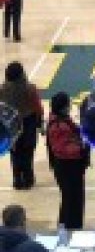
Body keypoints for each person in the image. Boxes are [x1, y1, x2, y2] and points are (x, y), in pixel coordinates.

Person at [47, 92, 89, 229]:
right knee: (72, 201)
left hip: (68, 166)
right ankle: (71, 229)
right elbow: (64, 150)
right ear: (64, 107)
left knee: (70, 200)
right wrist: (82, 147)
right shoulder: (59, 126)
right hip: (68, 167)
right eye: (68, 104)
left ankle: (68, 228)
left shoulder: (61, 120)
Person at [0, 62, 43, 190]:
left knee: (14, 150)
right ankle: (28, 178)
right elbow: (38, 108)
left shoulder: (2, 89)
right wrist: (40, 122)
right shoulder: (30, 88)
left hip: (10, 123)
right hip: (28, 122)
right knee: (28, 151)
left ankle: (17, 179)